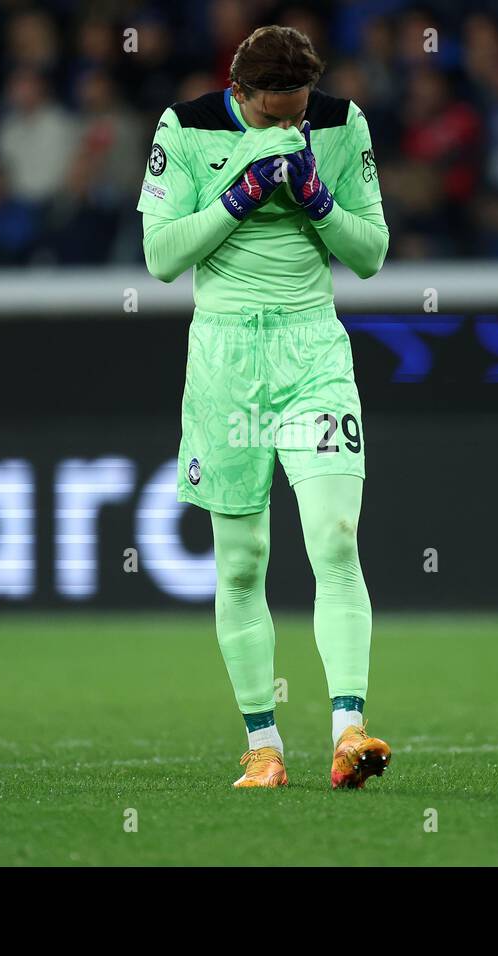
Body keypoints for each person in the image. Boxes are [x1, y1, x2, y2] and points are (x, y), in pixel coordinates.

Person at [137, 25, 391, 789]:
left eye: (297, 113)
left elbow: (371, 254)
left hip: (313, 352)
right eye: (273, 115)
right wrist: (239, 197)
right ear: (238, 93)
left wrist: (319, 202)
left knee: (337, 540)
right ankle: (263, 745)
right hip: (226, 363)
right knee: (243, 562)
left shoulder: (342, 126)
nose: (288, 128)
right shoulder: (186, 129)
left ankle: (349, 731)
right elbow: (160, 258)